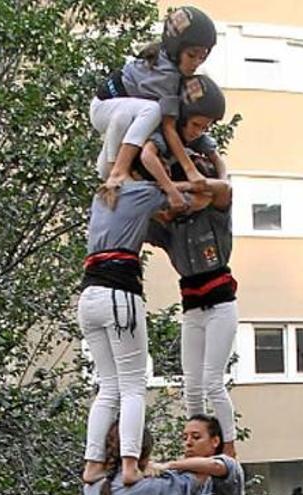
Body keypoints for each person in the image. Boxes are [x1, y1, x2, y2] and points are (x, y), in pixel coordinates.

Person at [80, 164, 202, 485]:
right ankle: (131, 464)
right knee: (133, 386)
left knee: (108, 386)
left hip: (89, 295)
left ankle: (92, 464)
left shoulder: (102, 196)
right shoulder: (143, 192)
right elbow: (188, 196)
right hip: (119, 295)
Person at [145, 75, 239, 457]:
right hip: (192, 308)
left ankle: (228, 447)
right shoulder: (171, 228)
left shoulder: (215, 214)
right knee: (192, 385)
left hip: (220, 303)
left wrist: (194, 187)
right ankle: (194, 444)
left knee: (214, 381)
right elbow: (146, 218)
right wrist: (168, 194)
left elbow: (223, 188)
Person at [90, 6, 217, 210]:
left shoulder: (169, 61)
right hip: (105, 109)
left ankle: (112, 172)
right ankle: (118, 171)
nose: (196, 63)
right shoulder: (168, 77)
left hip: (120, 115)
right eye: (192, 55)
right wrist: (190, 169)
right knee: (152, 110)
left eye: (202, 57)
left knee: (111, 166)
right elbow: (168, 127)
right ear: (177, 49)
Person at [83, 414, 244, 495]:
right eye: (184, 437)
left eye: (196, 437)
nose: (188, 442)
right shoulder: (161, 484)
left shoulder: (94, 487)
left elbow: (215, 465)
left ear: (215, 441)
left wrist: (167, 465)